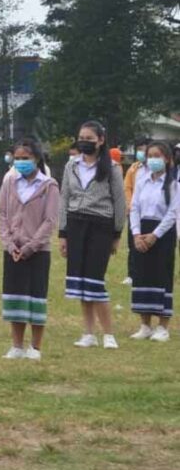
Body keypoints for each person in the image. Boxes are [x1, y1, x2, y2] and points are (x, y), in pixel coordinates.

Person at [59, 120, 125, 349]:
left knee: (95, 281)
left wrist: (117, 233)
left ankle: (108, 334)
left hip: (101, 226)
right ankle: (88, 333)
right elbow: (64, 198)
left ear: (101, 141)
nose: (84, 142)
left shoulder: (113, 168)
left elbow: (119, 200)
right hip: (76, 225)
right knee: (80, 282)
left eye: (89, 139)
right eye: (81, 138)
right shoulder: (71, 166)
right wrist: (63, 233)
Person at [0, 138, 59, 360]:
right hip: (13, 249)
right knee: (15, 296)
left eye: (26, 158)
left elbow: (50, 220)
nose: (21, 162)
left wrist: (31, 246)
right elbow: (2, 214)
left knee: (35, 296)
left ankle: (35, 346)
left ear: (37, 159)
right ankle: (16, 345)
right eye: (18, 159)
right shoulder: (9, 183)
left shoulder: (48, 186)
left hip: (38, 250)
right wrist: (10, 244)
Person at [127, 141, 176, 343]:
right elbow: (135, 206)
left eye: (158, 155)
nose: (153, 159)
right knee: (142, 275)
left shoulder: (173, 182)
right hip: (142, 231)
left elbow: (173, 212)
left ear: (166, 158)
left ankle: (162, 327)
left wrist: (155, 235)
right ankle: (145, 325)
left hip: (162, 233)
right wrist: (137, 234)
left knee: (161, 276)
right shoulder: (141, 178)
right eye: (150, 155)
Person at [122, 138, 149, 286]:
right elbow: (127, 187)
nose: (142, 153)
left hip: (149, 213)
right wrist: (131, 205)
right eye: (139, 150)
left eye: (145, 150)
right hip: (134, 212)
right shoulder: (133, 169)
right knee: (133, 244)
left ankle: (146, 274)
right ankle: (132, 275)